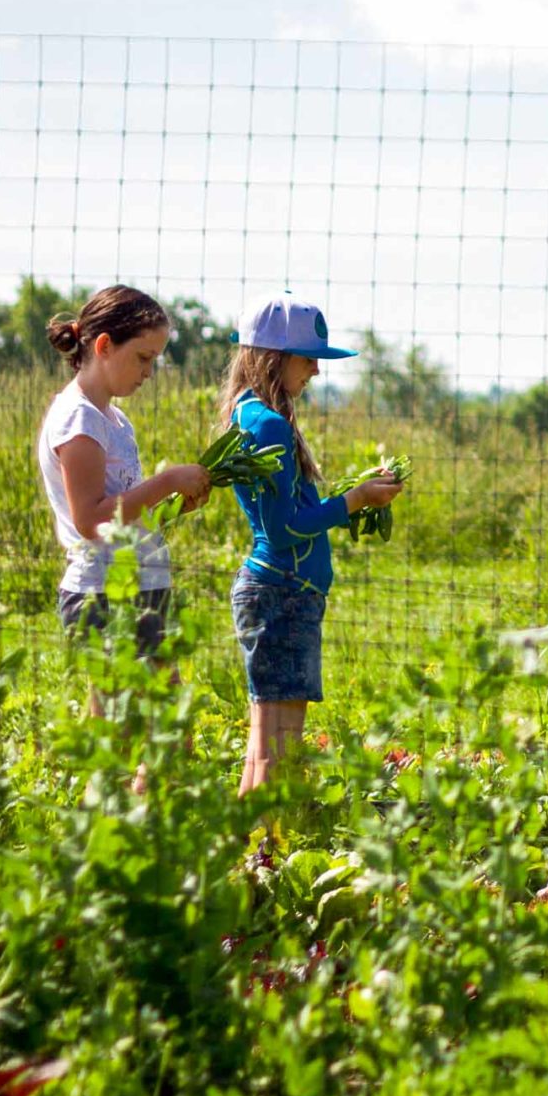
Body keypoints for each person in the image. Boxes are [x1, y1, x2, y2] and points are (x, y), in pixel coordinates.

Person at [218, 294, 406, 795]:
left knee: (264, 753)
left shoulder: (250, 417)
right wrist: (351, 500)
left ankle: (248, 860)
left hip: (277, 590)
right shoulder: (271, 426)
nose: (316, 373)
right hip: (283, 593)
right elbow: (283, 530)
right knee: (278, 757)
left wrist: (354, 500)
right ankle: (267, 860)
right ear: (272, 358)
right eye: (308, 360)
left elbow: (290, 515)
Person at [37, 285, 213, 713]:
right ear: (103, 346)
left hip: (138, 586)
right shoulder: (79, 420)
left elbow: (123, 510)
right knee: (134, 733)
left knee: (155, 732)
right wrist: (168, 480)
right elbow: (92, 521)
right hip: (104, 595)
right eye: (143, 357)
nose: (149, 371)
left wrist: (169, 507)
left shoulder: (113, 418)